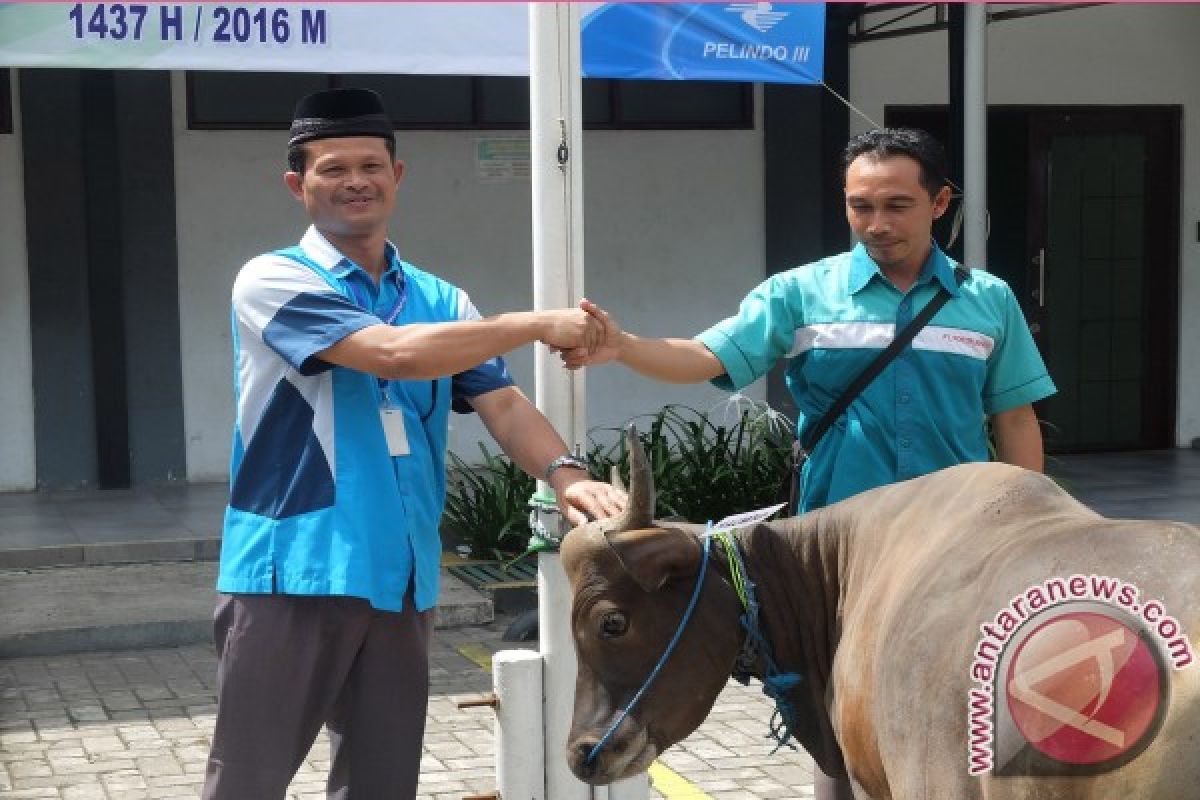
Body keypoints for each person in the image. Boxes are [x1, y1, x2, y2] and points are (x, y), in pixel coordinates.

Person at [564, 127, 1055, 798]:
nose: (875, 224)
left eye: (896, 205)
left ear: (940, 202)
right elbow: (706, 357)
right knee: (840, 732)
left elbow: (1015, 419)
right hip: (841, 562)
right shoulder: (802, 294)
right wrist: (622, 346)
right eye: (859, 206)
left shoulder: (987, 300)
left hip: (959, 548)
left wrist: (1032, 532)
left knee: (958, 709)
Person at [201, 87, 625, 800]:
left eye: (371, 165)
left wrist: (566, 475)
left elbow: (503, 402)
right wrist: (533, 323)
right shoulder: (272, 279)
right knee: (249, 779)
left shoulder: (442, 298)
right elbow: (393, 354)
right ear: (297, 185)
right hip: (294, 569)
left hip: (401, 576)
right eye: (332, 168)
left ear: (398, 176)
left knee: (382, 781)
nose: (355, 181)